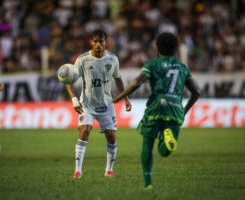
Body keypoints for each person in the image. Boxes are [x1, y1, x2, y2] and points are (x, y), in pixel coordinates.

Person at [113, 32, 201, 189]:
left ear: (157, 48)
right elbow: (197, 92)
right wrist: (184, 110)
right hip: (174, 109)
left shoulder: (152, 64)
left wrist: (120, 97)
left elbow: (136, 83)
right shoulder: (182, 67)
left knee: (147, 144)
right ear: (175, 50)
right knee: (165, 151)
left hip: (155, 107)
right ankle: (167, 139)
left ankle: (148, 184)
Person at [66, 29, 132, 178]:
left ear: (106, 42)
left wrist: (125, 98)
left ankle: (109, 170)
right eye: (95, 41)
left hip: (106, 105)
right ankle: (77, 171)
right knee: (84, 132)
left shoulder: (113, 59)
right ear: (91, 42)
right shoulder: (82, 60)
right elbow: (69, 80)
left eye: (101, 41)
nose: (98, 44)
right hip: (87, 105)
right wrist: (74, 100)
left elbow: (118, 79)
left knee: (111, 136)